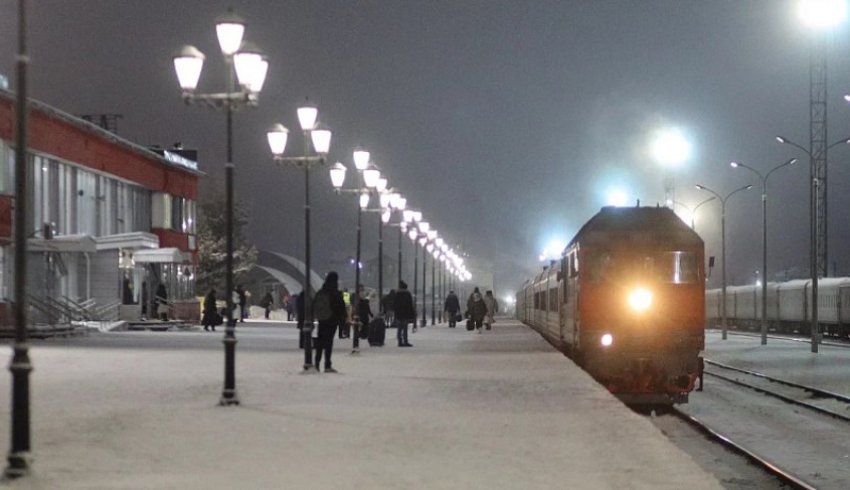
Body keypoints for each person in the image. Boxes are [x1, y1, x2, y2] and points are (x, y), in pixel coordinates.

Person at [312, 271, 347, 373]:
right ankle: (327, 364)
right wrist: (342, 320)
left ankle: (316, 363)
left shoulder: (321, 291)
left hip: (322, 319)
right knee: (328, 343)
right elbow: (341, 307)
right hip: (332, 320)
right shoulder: (336, 292)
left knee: (320, 342)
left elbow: (314, 304)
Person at [393, 281, 415, 347]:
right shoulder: (407, 294)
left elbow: (394, 304)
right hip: (406, 313)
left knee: (399, 328)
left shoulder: (397, 294)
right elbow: (410, 305)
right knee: (405, 328)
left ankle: (400, 341)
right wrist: (412, 314)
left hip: (398, 314)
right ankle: (405, 341)